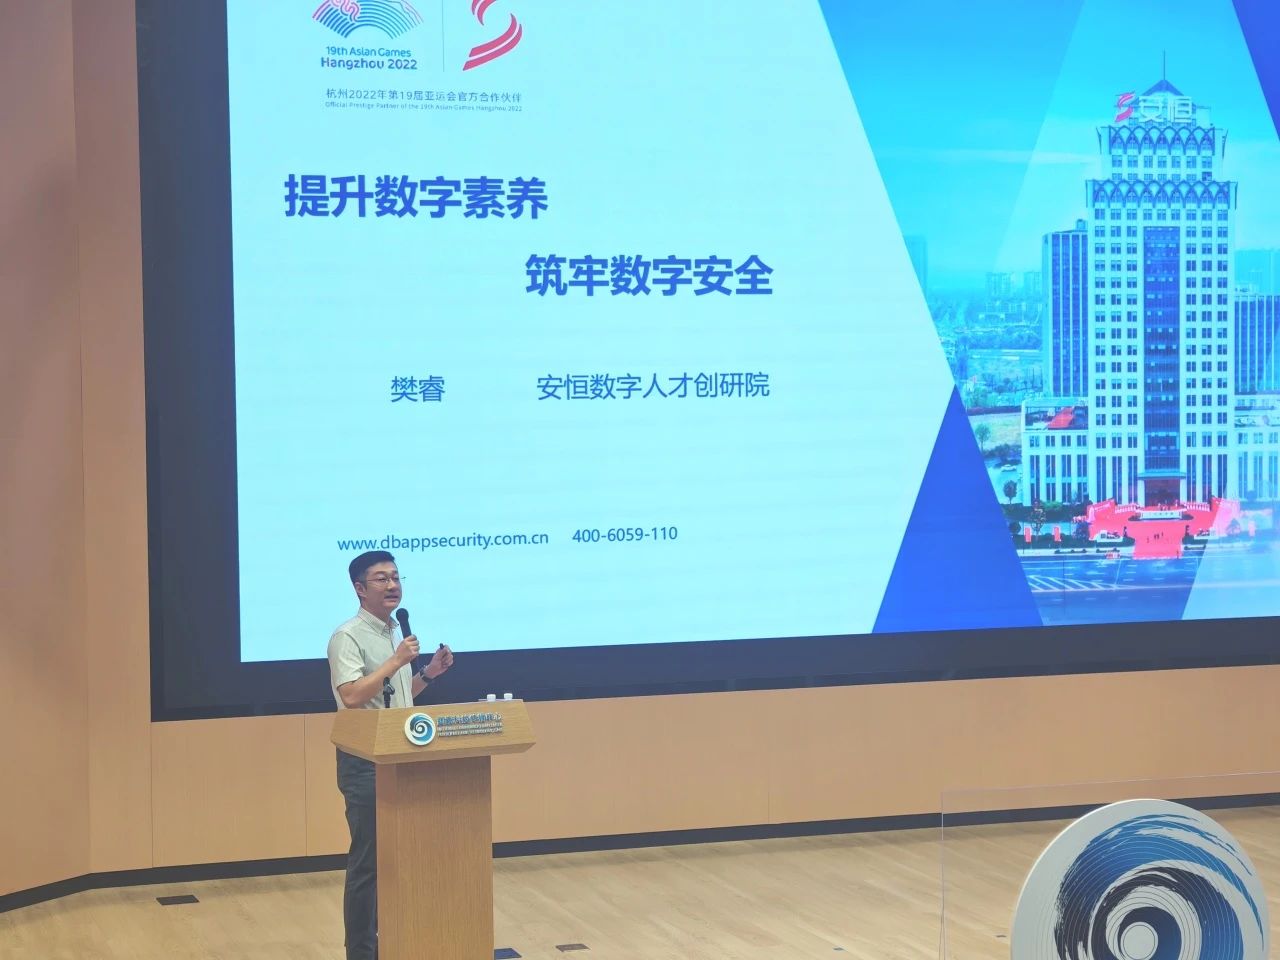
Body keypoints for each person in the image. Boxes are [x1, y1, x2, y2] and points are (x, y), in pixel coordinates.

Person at [328, 550, 454, 960]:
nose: (392, 585)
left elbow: (392, 699)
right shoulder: (347, 636)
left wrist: (427, 673)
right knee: (369, 863)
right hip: (365, 762)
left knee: (399, 859)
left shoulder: (392, 634)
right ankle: (362, 952)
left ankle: (395, 943)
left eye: (396, 577)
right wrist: (396, 660)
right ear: (359, 589)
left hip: (399, 757)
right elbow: (352, 697)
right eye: (381, 578)